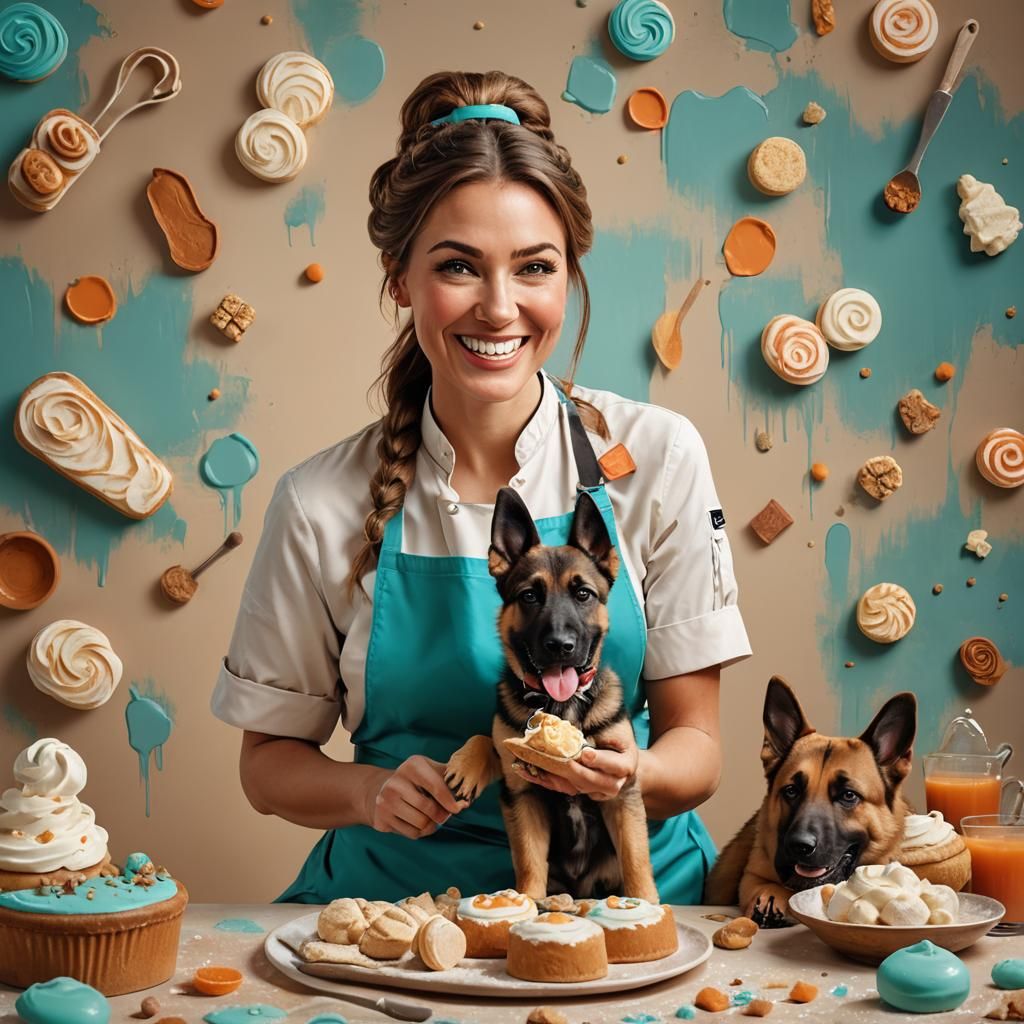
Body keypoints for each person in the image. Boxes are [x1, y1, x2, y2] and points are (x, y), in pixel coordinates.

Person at [211, 70, 752, 905]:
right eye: (459, 266)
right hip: (399, 915)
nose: (499, 308)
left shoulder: (656, 456)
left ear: (567, 276)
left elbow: (700, 750)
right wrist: (368, 793)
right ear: (399, 278)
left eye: (534, 268)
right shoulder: (319, 502)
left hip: (631, 915)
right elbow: (266, 769)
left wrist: (623, 772)